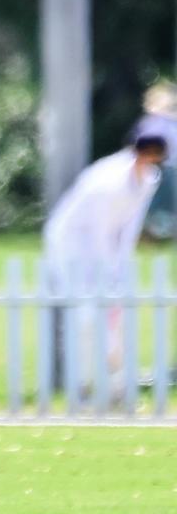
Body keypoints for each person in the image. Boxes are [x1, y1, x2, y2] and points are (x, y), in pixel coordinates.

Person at [44, 134, 167, 398]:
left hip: (106, 248)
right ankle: (84, 382)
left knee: (114, 311)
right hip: (71, 245)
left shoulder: (149, 179)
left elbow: (130, 226)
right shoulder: (107, 179)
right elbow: (97, 228)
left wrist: (121, 264)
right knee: (85, 312)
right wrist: (107, 267)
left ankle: (113, 381)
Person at [127, 81, 177, 238]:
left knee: (164, 203)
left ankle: (160, 231)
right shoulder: (150, 122)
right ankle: (150, 232)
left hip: (169, 167)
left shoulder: (165, 122)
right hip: (155, 167)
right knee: (151, 202)